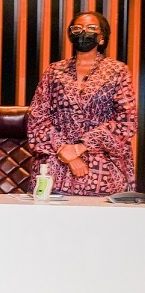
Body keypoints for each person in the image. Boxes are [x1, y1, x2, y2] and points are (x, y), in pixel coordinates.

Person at [27, 11, 137, 196]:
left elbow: (126, 121)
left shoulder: (118, 71)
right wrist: (67, 153)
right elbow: (38, 117)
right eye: (77, 28)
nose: (83, 32)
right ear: (71, 35)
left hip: (103, 167)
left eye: (91, 28)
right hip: (56, 163)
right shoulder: (54, 71)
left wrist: (80, 147)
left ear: (102, 38)